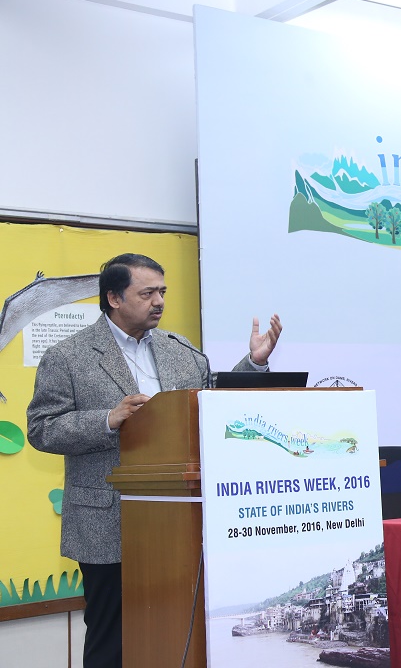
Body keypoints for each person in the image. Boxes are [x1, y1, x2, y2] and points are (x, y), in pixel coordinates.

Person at [26, 253, 283, 668]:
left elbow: (211, 407)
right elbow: (42, 428)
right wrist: (109, 419)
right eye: (147, 293)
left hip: (180, 520)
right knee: (112, 639)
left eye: (162, 291)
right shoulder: (68, 356)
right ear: (113, 297)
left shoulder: (181, 351)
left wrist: (253, 363)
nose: (159, 301)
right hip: (107, 523)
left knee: (177, 630)